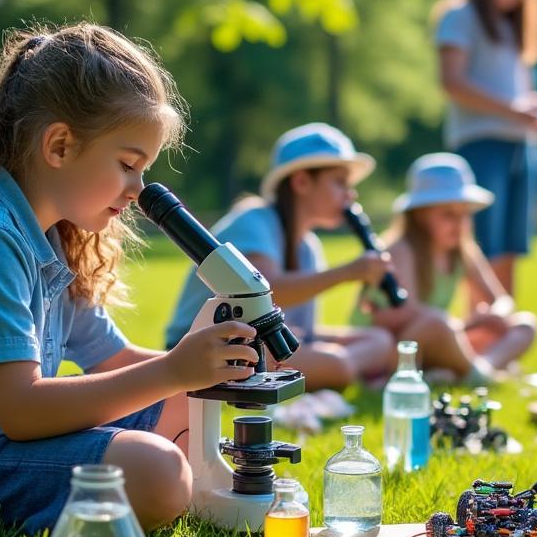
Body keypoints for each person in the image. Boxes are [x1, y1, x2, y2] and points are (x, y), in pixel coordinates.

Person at [0, 24, 258, 534]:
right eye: (128, 165)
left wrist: (222, 367)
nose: (138, 189)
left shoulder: (51, 239)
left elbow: (119, 362)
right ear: (60, 146)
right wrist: (176, 369)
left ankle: (174, 491)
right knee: (156, 469)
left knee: (190, 403)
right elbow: (21, 409)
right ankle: (165, 492)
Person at [165, 123, 396, 395]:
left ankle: (348, 370)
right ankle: (352, 372)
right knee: (337, 365)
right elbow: (269, 293)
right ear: (301, 182)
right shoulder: (253, 221)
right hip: (208, 349)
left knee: (381, 340)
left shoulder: (309, 247)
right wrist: (348, 272)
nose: (351, 194)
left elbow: (301, 332)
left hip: (263, 345)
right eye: (339, 182)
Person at [434, 0, 537, 304]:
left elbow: (516, 88)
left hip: (520, 145)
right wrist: (513, 109)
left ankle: (502, 339)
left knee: (511, 247)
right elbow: (452, 81)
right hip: (480, 144)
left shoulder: (515, 27)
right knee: (482, 245)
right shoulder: (459, 16)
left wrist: (531, 107)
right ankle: (476, 341)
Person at [354, 153, 537, 384]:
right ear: (420, 215)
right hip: (392, 346)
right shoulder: (402, 250)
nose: (459, 224)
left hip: (441, 337)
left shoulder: (463, 250)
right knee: (437, 324)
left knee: (525, 324)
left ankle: (478, 369)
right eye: (448, 215)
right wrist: (465, 325)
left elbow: (502, 300)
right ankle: (473, 373)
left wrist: (494, 315)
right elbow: (400, 315)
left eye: (464, 215)